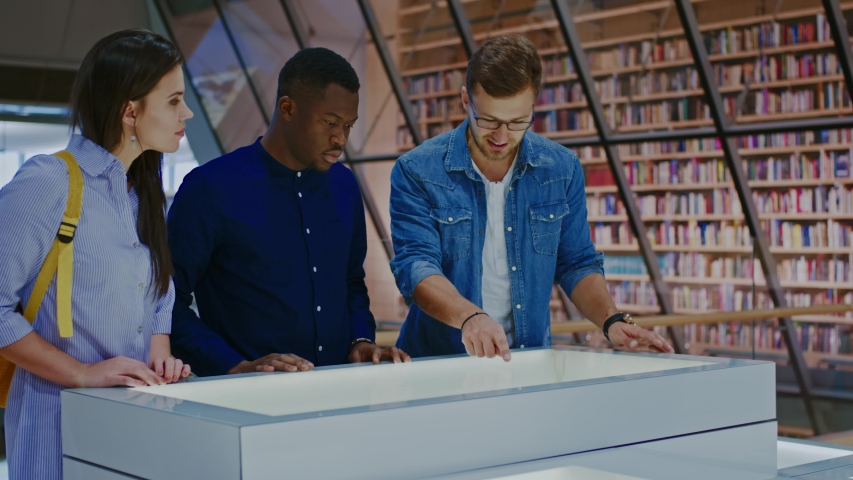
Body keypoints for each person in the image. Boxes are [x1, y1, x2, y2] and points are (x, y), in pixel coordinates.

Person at [389, 34, 675, 360]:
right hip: (438, 363)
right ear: (466, 100)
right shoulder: (417, 170)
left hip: (526, 362)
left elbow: (576, 263)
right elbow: (417, 266)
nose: (501, 136)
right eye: (489, 120)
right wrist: (471, 318)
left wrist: (610, 320)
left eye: (517, 122)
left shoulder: (561, 168)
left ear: (534, 104)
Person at [0, 29, 194, 479]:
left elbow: (157, 302)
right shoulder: (50, 182)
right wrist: (82, 374)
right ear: (130, 111)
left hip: (132, 428)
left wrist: (159, 357)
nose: (186, 113)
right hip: (58, 427)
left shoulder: (139, 195)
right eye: (173, 101)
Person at [168, 47, 409, 377]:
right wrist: (232, 365)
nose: (340, 139)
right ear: (287, 108)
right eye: (329, 123)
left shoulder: (344, 185)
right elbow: (165, 301)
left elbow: (351, 282)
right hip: (247, 401)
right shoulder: (209, 188)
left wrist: (361, 340)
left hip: (340, 391)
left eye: (349, 125)